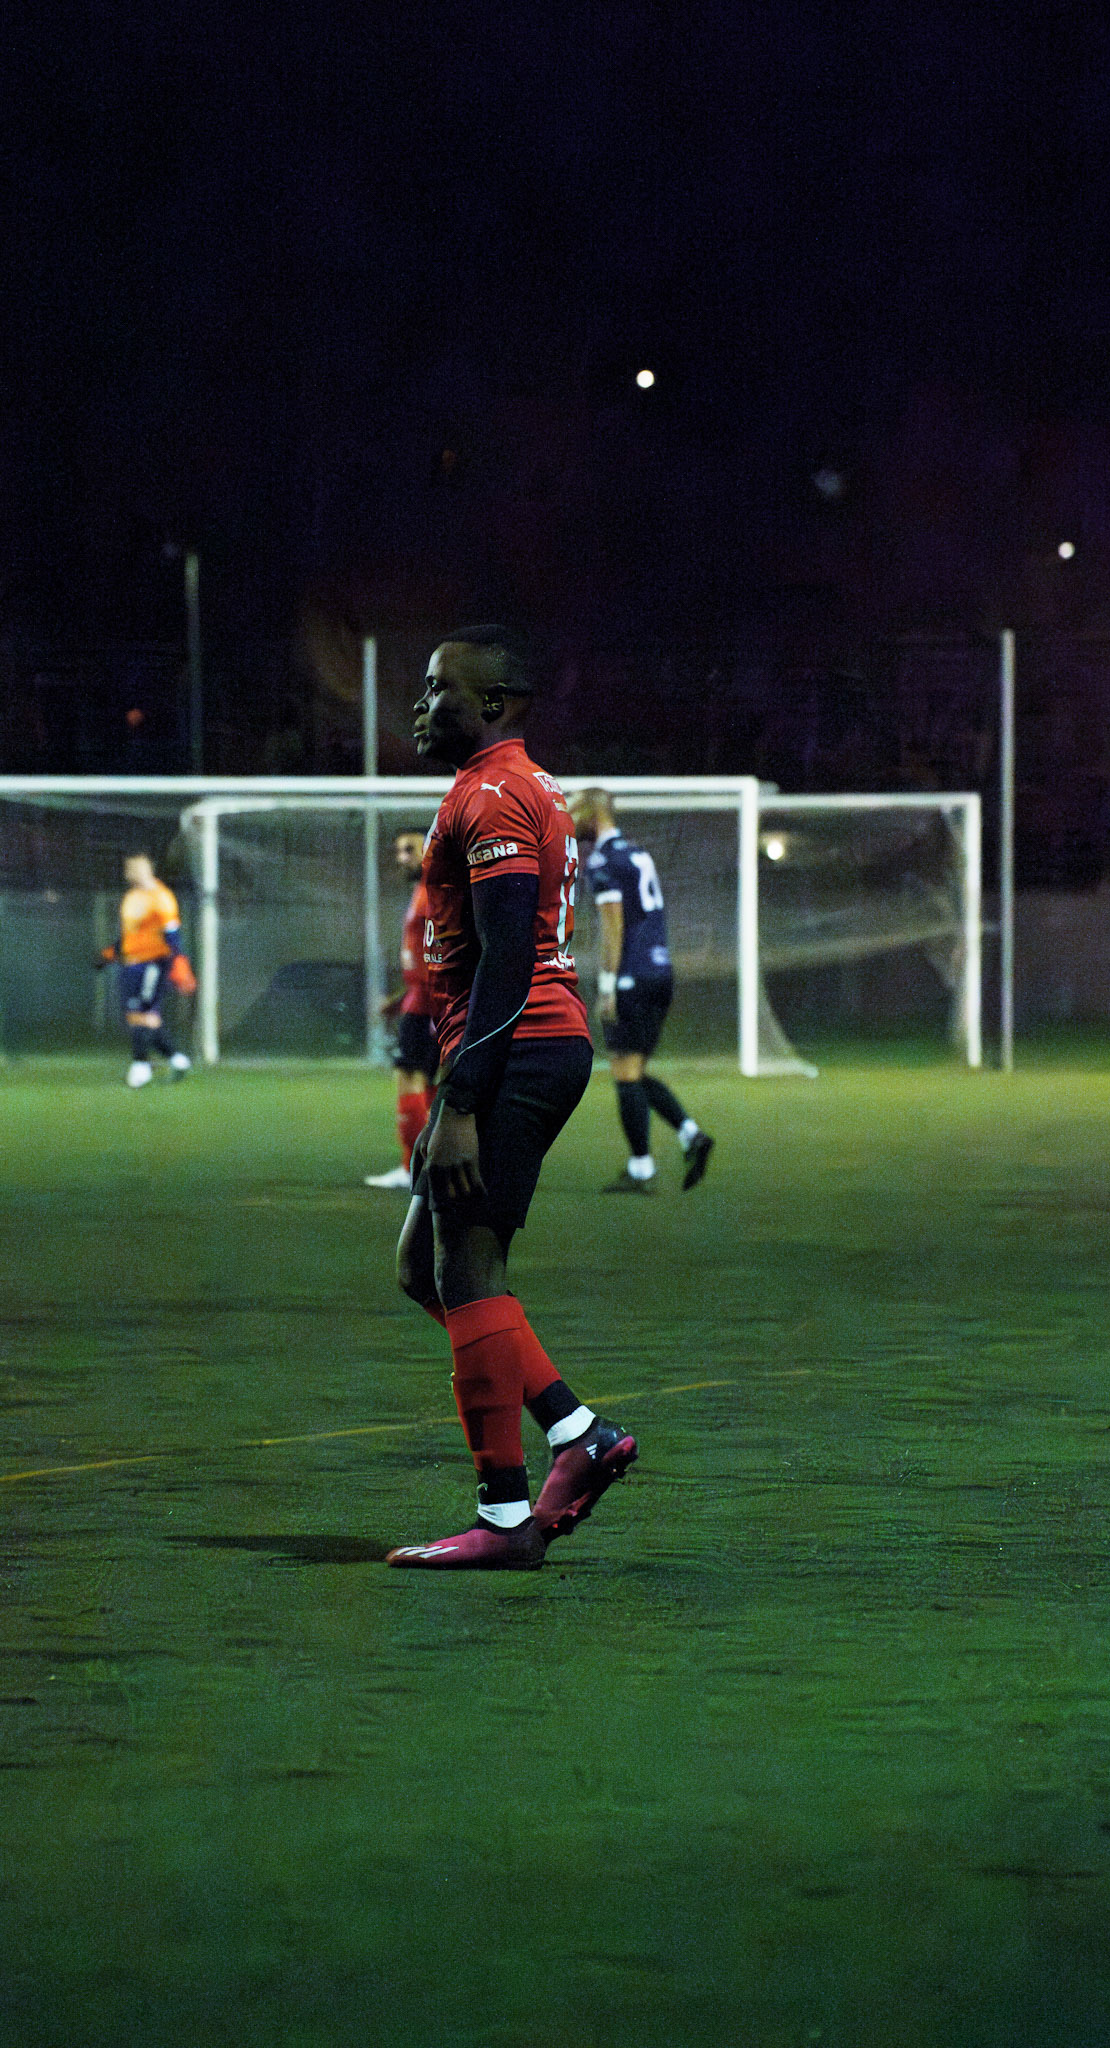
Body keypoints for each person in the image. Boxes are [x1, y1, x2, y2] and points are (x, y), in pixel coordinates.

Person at [387, 626, 637, 1572]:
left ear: (490, 703)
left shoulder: (492, 795)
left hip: (516, 1048)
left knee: (466, 1270)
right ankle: (578, 1433)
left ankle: (503, 1521)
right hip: (521, 1046)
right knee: (425, 1267)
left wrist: (457, 1103)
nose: (419, 705)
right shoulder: (517, 786)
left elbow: (504, 964)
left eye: (435, 688)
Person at [568, 788, 712, 1194]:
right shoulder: (638, 854)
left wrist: (609, 987)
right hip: (660, 971)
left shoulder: (603, 861)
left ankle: (641, 1168)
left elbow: (613, 927)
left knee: (625, 1074)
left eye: (574, 810)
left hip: (632, 975)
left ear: (593, 815)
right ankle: (690, 1135)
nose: (568, 817)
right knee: (633, 1072)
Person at [364, 831, 439, 1188]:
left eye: (410, 849)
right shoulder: (423, 889)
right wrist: (399, 1000)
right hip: (419, 1000)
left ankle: (413, 1169)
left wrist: (425, 999)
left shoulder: (436, 891)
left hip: (429, 1004)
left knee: (410, 1077)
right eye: (398, 851)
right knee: (428, 1080)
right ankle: (429, 1166)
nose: (401, 857)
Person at [95, 853, 195, 1088]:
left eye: (136, 867)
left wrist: (179, 962)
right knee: (137, 1016)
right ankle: (177, 1059)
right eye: (129, 868)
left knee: (144, 1014)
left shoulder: (161, 897)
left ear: (148, 869)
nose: (131, 872)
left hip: (154, 963)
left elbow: (172, 933)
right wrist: (110, 953)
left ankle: (141, 1066)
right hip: (131, 964)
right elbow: (131, 934)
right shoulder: (131, 896)